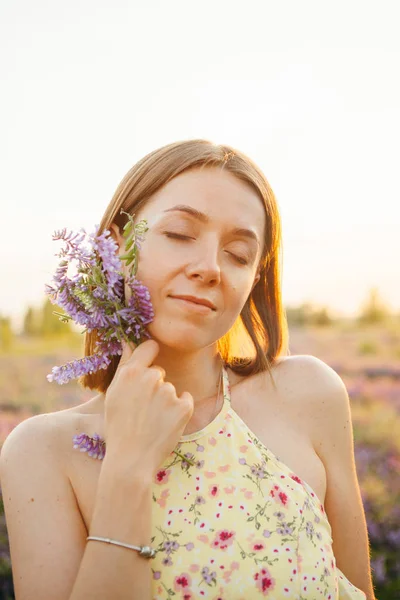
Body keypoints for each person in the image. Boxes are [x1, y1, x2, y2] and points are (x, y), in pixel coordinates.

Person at [0, 139, 375, 599]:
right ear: (114, 248)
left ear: (254, 278)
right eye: (179, 233)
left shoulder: (307, 394)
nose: (210, 267)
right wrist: (129, 469)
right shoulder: (42, 453)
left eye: (238, 254)